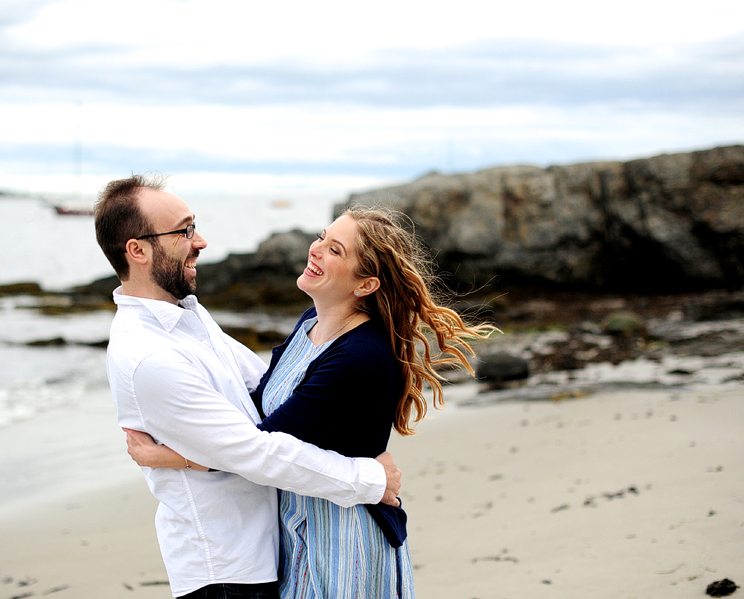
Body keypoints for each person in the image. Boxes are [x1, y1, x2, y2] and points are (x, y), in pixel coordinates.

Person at [127, 205, 495, 598]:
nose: (316, 249)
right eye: (322, 237)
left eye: (336, 250)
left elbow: (260, 445)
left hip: (343, 537)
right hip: (299, 528)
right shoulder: (310, 326)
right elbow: (256, 406)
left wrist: (169, 456)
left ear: (365, 285)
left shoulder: (360, 357)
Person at [94, 174, 402, 599]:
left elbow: (266, 397)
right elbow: (255, 450)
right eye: (184, 231)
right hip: (224, 568)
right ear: (138, 250)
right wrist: (368, 477)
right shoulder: (149, 356)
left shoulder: (188, 316)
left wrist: (180, 457)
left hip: (277, 549)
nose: (200, 240)